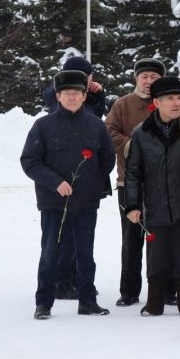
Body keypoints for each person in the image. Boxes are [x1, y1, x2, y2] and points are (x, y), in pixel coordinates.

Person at [21, 70, 115, 319]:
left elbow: (107, 159)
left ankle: (87, 301)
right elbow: (30, 161)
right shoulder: (43, 125)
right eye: (66, 93)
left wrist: (91, 184)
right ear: (58, 96)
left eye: (76, 93)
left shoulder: (95, 125)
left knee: (86, 253)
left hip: (86, 201)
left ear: (85, 97)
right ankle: (44, 303)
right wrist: (55, 183)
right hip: (53, 202)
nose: (72, 97)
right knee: (50, 252)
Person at [124, 76, 180, 316]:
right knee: (156, 255)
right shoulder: (142, 133)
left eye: (179, 97)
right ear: (156, 102)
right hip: (154, 205)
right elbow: (133, 172)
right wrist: (132, 204)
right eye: (169, 98)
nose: (176, 103)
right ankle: (154, 303)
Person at [42, 56, 106, 300]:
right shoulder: (57, 93)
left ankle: (78, 282)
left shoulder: (87, 95)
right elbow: (53, 99)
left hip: (86, 177)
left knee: (82, 239)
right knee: (62, 237)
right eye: (81, 76)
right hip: (61, 178)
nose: (85, 82)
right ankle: (63, 281)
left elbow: (97, 116)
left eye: (88, 77)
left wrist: (98, 95)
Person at [105, 58, 166, 307]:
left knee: (162, 237)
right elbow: (108, 131)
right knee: (131, 239)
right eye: (145, 76)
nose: (149, 81)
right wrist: (131, 145)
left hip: (163, 184)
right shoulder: (123, 104)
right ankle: (129, 290)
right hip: (128, 182)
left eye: (154, 77)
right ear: (136, 79)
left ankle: (165, 289)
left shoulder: (169, 102)